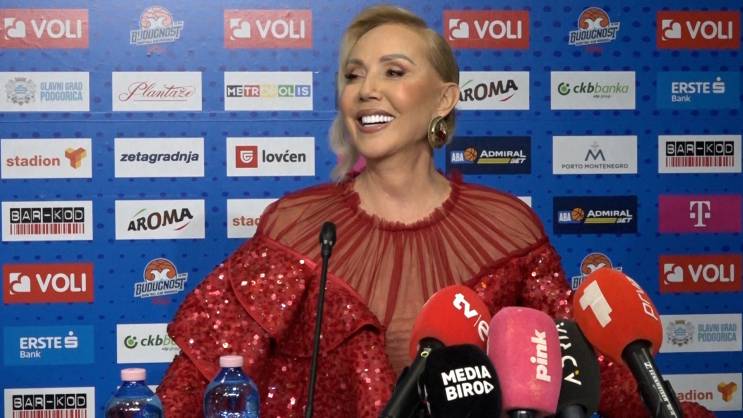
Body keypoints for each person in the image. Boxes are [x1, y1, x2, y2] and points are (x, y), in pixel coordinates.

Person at [157, 5, 713, 418]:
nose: (366, 90)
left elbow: (589, 375)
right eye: (353, 75)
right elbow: (198, 383)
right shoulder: (297, 226)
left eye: (394, 72)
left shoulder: (508, 229)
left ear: (444, 99)